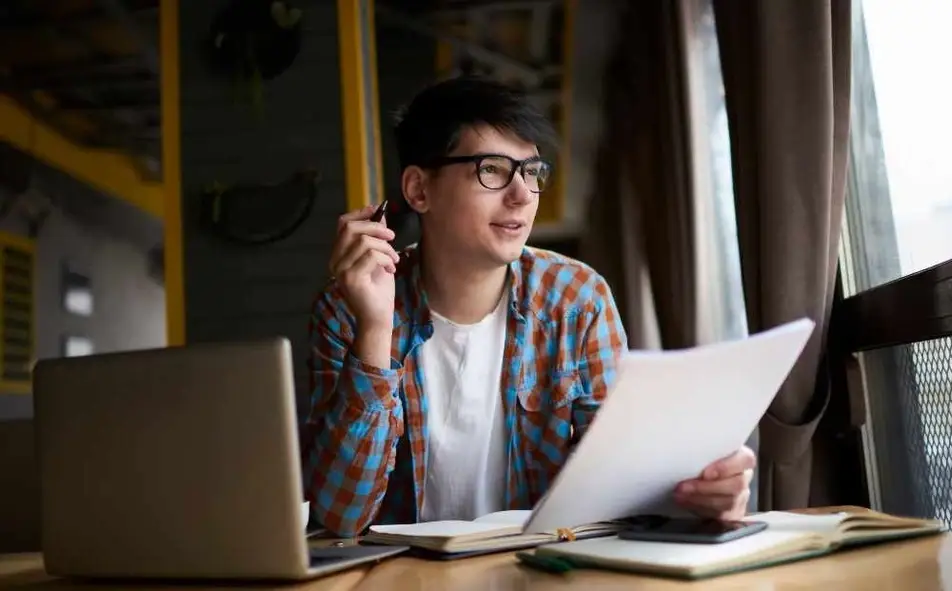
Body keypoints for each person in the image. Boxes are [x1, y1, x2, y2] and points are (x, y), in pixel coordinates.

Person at [301, 76, 755, 537]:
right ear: (420, 190)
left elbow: (622, 475)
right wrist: (375, 329)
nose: (521, 194)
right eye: (492, 170)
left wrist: (697, 490)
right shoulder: (347, 309)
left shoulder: (575, 299)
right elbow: (341, 517)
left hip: (540, 568)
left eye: (532, 172)